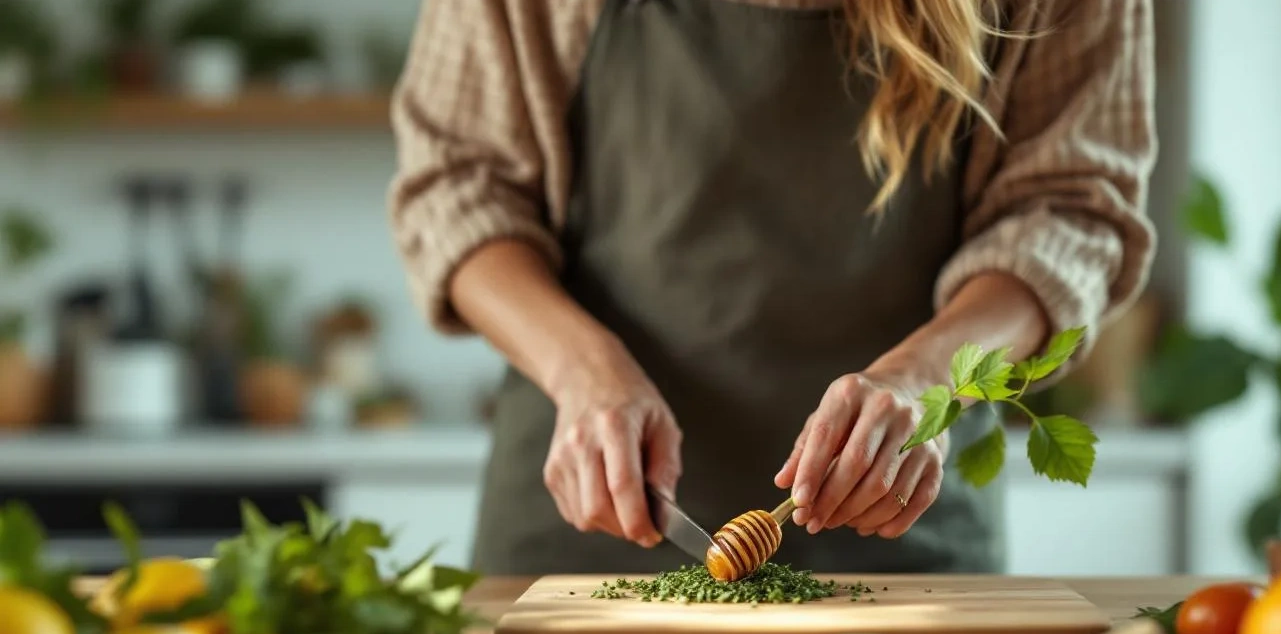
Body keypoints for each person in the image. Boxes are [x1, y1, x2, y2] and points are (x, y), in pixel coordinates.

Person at [388, 0, 1156, 576]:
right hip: (582, 528)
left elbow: (1066, 212)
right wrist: (582, 371)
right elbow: (457, 188)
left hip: (899, 529)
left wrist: (925, 378)